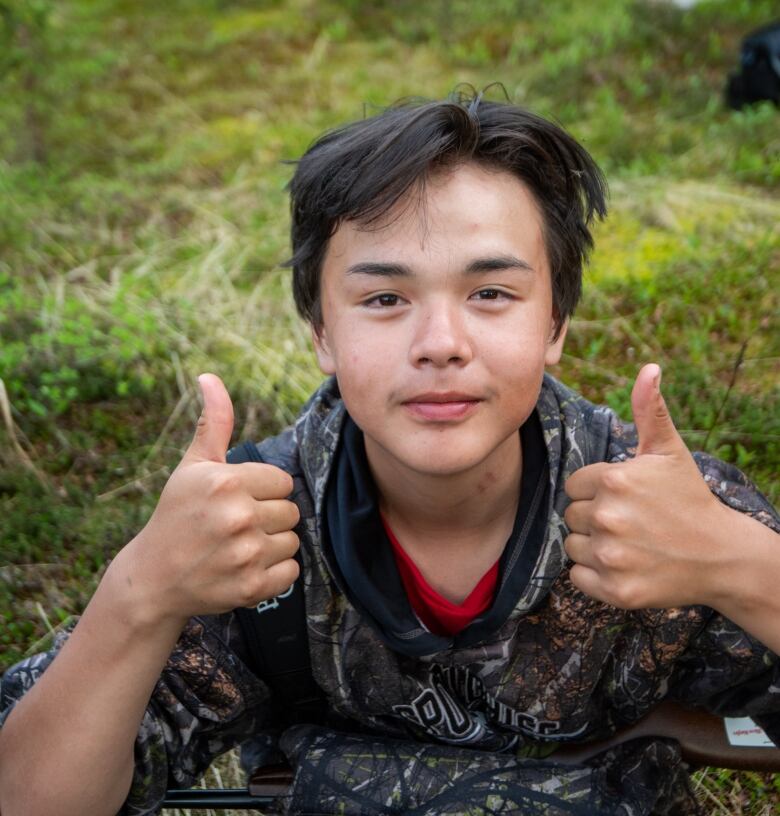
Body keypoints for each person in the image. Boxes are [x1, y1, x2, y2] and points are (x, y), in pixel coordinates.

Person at [0, 92, 778, 816]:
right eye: (383, 299)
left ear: (556, 322)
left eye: (491, 294)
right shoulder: (243, 536)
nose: (440, 344)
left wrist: (737, 563)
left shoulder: (668, 512)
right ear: (320, 332)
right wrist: (140, 592)